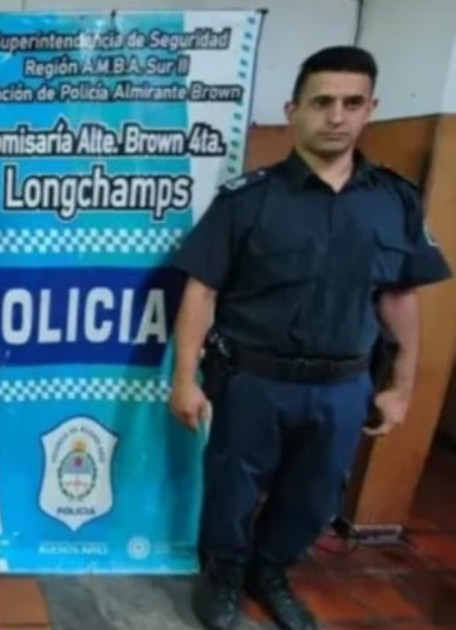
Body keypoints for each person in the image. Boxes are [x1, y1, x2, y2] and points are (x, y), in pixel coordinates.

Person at [169, 46, 450, 630]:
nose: (336, 117)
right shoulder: (248, 198)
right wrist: (184, 379)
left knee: (315, 496)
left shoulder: (393, 201)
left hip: (343, 385)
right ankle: (224, 574)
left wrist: (401, 387)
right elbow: (202, 291)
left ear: (371, 108)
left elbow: (399, 297)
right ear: (293, 110)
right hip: (252, 379)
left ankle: (270, 571)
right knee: (232, 488)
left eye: (351, 103)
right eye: (322, 102)